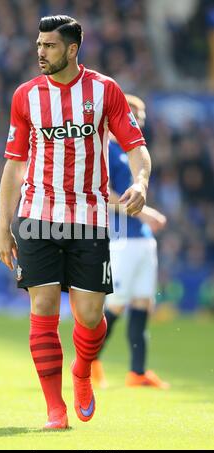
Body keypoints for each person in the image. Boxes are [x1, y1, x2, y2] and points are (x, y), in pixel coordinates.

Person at [0, 15, 151, 430]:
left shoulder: (105, 91)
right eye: (38, 44)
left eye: (49, 45)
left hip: (89, 217)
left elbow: (136, 147)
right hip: (37, 215)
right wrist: (2, 226)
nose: (40, 52)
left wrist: (140, 182)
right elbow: (14, 165)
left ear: (71, 49)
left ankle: (83, 373)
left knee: (88, 316)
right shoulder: (26, 95)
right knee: (42, 307)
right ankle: (55, 409)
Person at [91, 95, 170, 389]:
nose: (142, 119)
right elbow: (103, 194)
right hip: (120, 237)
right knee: (117, 304)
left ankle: (137, 373)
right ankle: (87, 363)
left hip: (142, 240)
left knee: (142, 304)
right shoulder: (107, 151)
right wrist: (145, 212)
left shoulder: (130, 152)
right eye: (136, 113)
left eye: (143, 114)